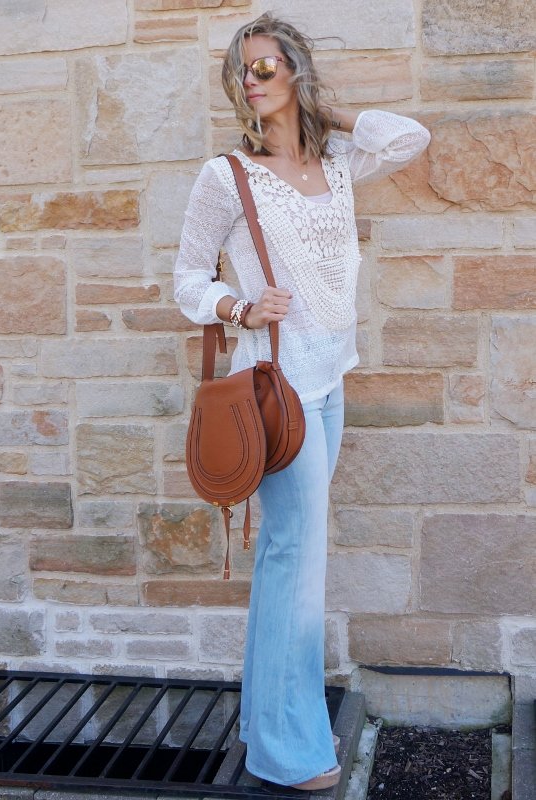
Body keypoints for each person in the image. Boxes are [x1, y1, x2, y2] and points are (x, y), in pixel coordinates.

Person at [173, 12, 431, 792]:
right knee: (296, 559)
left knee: (290, 556)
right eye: (243, 71)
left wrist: (328, 110)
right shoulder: (228, 176)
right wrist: (240, 309)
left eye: (267, 67)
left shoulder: (338, 161)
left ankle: (265, 725)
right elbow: (187, 279)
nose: (253, 81)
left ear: (295, 72)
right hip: (276, 387)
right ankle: (289, 751)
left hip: (330, 378)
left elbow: (409, 137)